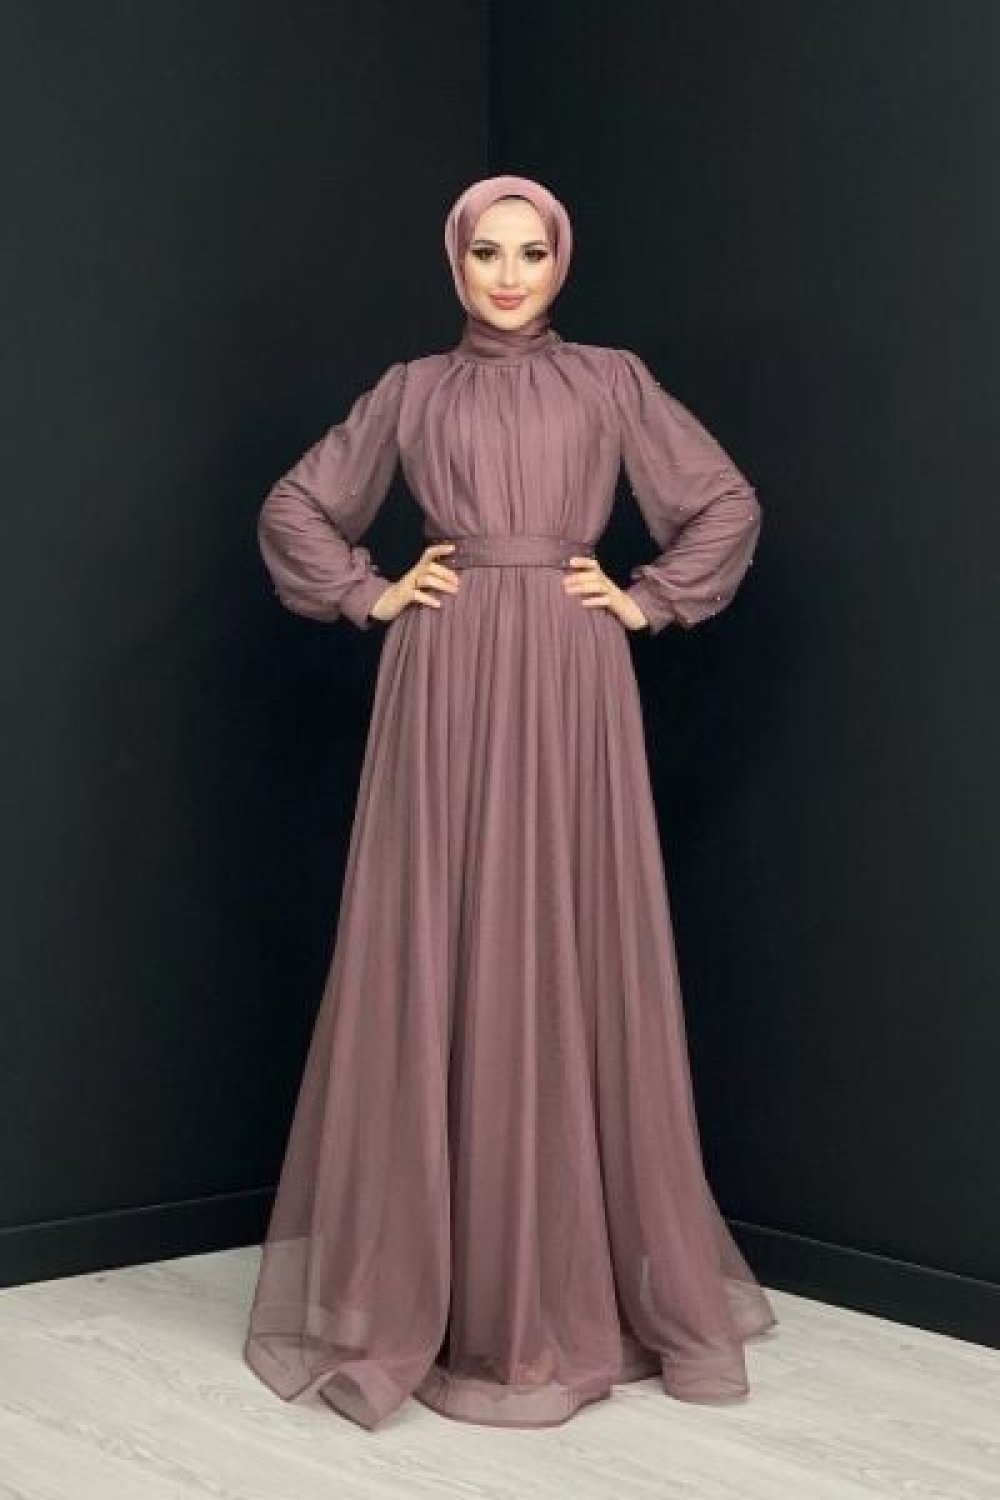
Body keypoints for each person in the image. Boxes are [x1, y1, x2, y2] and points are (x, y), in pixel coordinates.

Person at [243, 173, 777, 1432]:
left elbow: (724, 502)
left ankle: (559, 1287)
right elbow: (297, 505)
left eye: (530, 253)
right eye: (486, 252)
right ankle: (441, 1288)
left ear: (560, 262)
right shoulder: (411, 391)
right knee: (438, 933)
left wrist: (646, 598)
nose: (507, 275)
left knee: (561, 933)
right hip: (441, 669)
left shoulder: (610, 382)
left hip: (571, 670)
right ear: (455, 261)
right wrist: (369, 590)